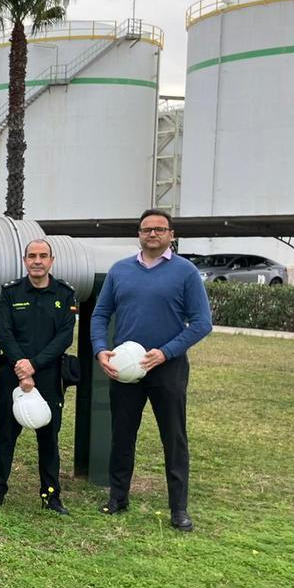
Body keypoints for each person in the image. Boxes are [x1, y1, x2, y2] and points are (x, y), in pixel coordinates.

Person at [91, 208, 212, 531]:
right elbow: (100, 315)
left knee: (173, 438)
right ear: (139, 235)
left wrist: (166, 352)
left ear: (171, 234)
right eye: (146, 230)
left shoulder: (185, 272)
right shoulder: (120, 271)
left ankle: (179, 507)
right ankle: (118, 497)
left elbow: (202, 323)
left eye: (160, 229)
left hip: (166, 368)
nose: (153, 234)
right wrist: (101, 349)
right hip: (126, 369)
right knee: (122, 434)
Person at [0, 239, 76, 515]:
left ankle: (51, 496)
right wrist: (21, 366)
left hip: (49, 375)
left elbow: (64, 337)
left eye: (43, 256)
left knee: (49, 438)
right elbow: (5, 333)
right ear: (25, 261)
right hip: (12, 374)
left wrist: (33, 365)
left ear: (51, 260)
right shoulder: (11, 292)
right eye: (32, 256)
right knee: (6, 436)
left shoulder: (64, 294)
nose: (37, 261)